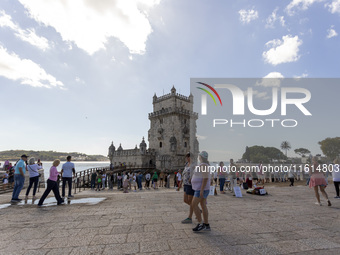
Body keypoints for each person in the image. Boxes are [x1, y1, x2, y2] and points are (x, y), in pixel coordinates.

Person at [191, 151, 211, 232]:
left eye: (199, 156)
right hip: (201, 189)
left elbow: (205, 177)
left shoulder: (203, 165)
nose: (198, 157)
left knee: (194, 204)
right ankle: (206, 225)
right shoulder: (204, 165)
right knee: (203, 205)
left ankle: (200, 223)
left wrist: (202, 190)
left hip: (201, 189)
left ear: (201, 157)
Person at [181, 153, 195, 224]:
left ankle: (189, 217)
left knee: (191, 200)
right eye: (187, 157)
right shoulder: (186, 164)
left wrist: (191, 178)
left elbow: (196, 173)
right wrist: (180, 183)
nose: (188, 158)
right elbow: (184, 173)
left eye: (189, 157)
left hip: (191, 184)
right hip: (185, 184)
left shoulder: (194, 165)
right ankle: (197, 209)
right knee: (185, 200)